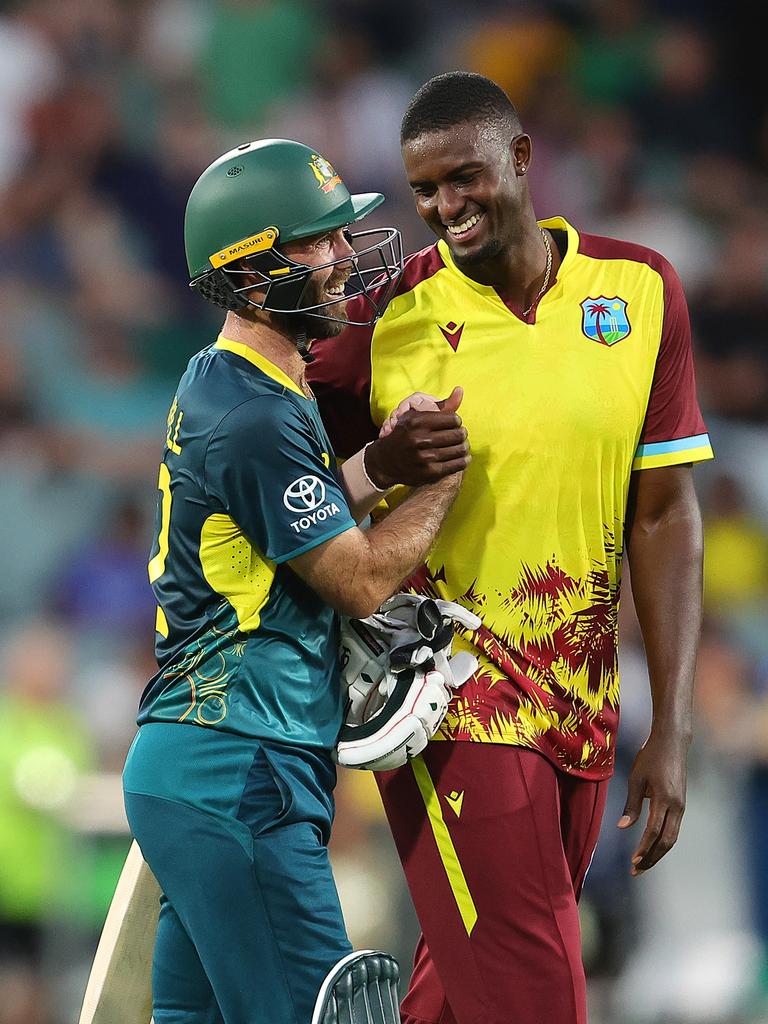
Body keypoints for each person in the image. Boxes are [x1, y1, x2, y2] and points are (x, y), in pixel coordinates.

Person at [308, 72, 714, 1024]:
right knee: (536, 992)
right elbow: (271, 483)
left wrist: (676, 723)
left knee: (465, 995)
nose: (446, 207)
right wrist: (376, 459)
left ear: (521, 157)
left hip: (583, 708)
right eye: (425, 192)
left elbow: (663, 515)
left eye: (464, 178)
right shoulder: (386, 316)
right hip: (448, 703)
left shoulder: (640, 289)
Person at [121, 137, 471, 1024]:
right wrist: (436, 485)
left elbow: (281, 513)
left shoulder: (239, 381)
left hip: (205, 766)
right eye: (315, 244)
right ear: (247, 272)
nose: (343, 259)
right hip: (243, 764)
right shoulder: (252, 410)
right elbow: (358, 582)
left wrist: (379, 463)